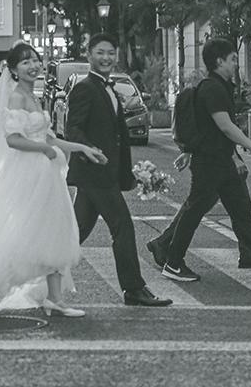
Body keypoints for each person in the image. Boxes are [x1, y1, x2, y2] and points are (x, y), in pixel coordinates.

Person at [0, 42, 107, 318]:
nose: (33, 66)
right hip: (28, 174)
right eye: (25, 62)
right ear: (13, 70)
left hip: (46, 173)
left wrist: (82, 148)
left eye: (35, 60)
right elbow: (13, 139)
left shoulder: (33, 96)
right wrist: (44, 149)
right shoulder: (16, 97)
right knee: (17, 235)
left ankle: (55, 299)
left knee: (52, 231)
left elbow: (49, 137)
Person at [157, 38, 251, 283]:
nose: (236, 64)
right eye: (232, 59)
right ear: (219, 61)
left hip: (222, 163)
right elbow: (225, 126)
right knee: (193, 212)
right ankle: (173, 262)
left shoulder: (218, 87)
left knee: (241, 213)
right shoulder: (213, 89)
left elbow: (210, 128)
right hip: (210, 163)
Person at [66, 33, 172, 307]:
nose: (106, 58)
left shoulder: (109, 88)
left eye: (110, 53)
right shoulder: (84, 88)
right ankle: (133, 288)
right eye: (100, 52)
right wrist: (90, 149)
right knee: (122, 227)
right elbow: (73, 128)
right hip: (94, 174)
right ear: (88, 54)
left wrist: (130, 172)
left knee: (75, 232)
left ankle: (37, 271)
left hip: (103, 174)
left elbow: (116, 136)